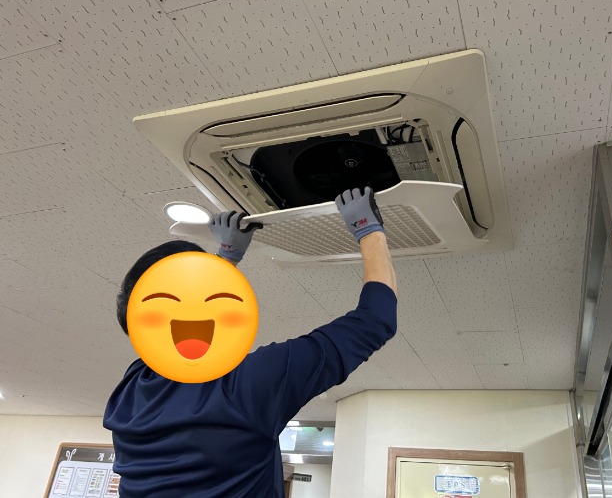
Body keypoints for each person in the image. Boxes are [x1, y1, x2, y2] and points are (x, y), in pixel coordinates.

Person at [103, 187, 397, 497]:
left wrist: (226, 257)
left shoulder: (131, 389)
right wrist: (368, 229)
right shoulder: (248, 385)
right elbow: (375, 319)